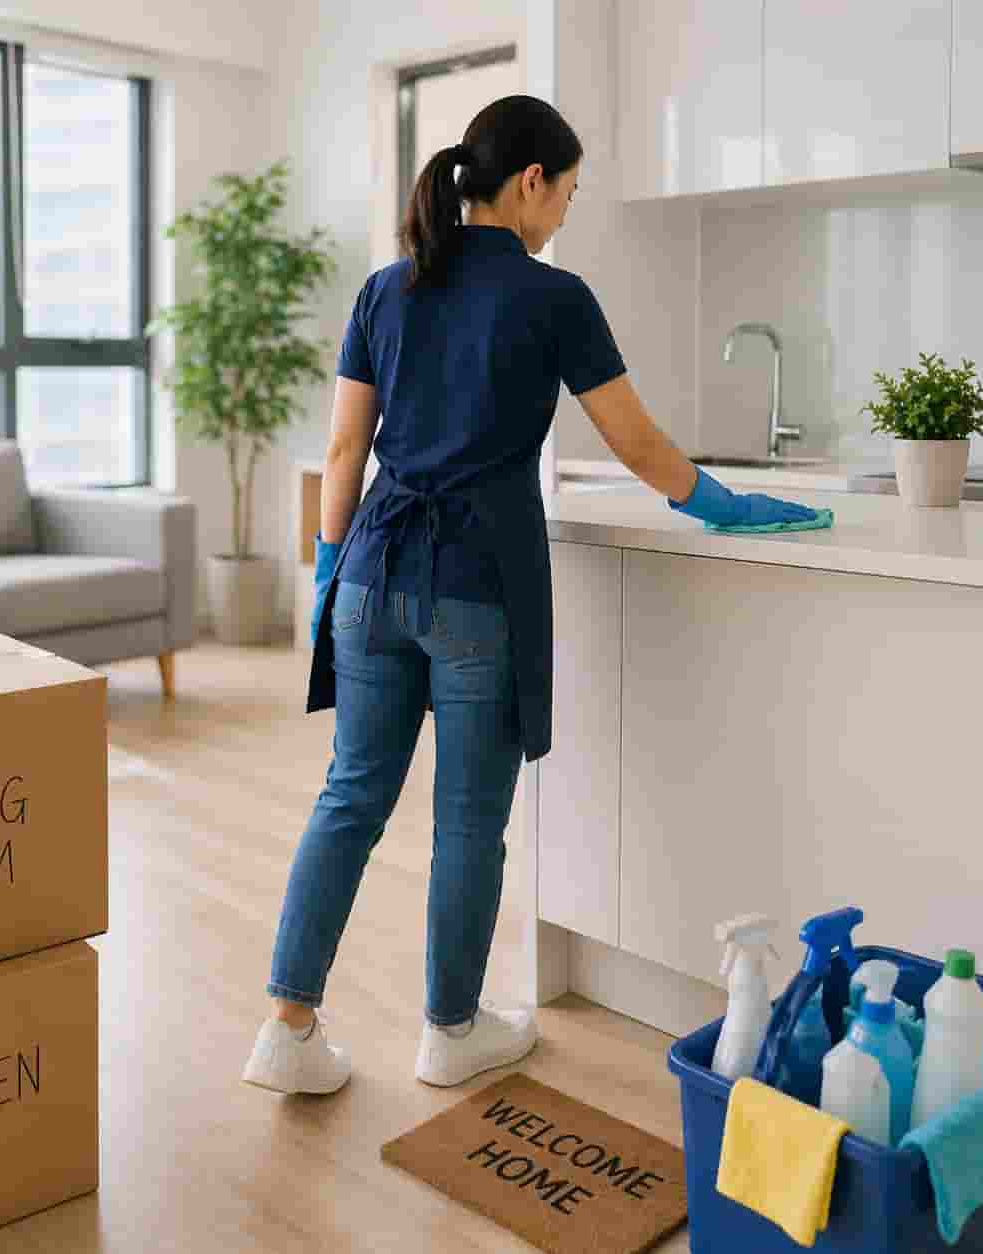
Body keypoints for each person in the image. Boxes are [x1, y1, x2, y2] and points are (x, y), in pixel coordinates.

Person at [241, 95, 816, 1096]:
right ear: (531, 182)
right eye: (570, 194)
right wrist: (728, 506)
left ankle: (286, 1033)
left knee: (349, 802)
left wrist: (330, 574)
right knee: (469, 822)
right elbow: (638, 446)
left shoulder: (389, 286)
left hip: (372, 572)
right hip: (476, 588)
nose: (566, 217)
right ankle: (449, 1032)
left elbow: (343, 450)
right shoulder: (553, 297)